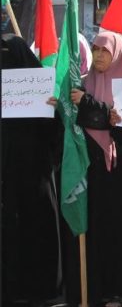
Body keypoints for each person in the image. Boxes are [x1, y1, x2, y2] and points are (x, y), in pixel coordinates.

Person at [64, 31, 122, 306]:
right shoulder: (82, 86)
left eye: (105, 50)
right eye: (95, 50)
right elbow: (77, 120)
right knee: (93, 230)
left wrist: (110, 117)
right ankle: (94, 289)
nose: (99, 56)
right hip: (91, 172)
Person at [1, 35, 63, 305]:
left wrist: (53, 107)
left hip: (35, 174)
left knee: (37, 227)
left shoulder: (41, 91)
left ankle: (41, 288)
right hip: (7, 176)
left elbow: (57, 134)